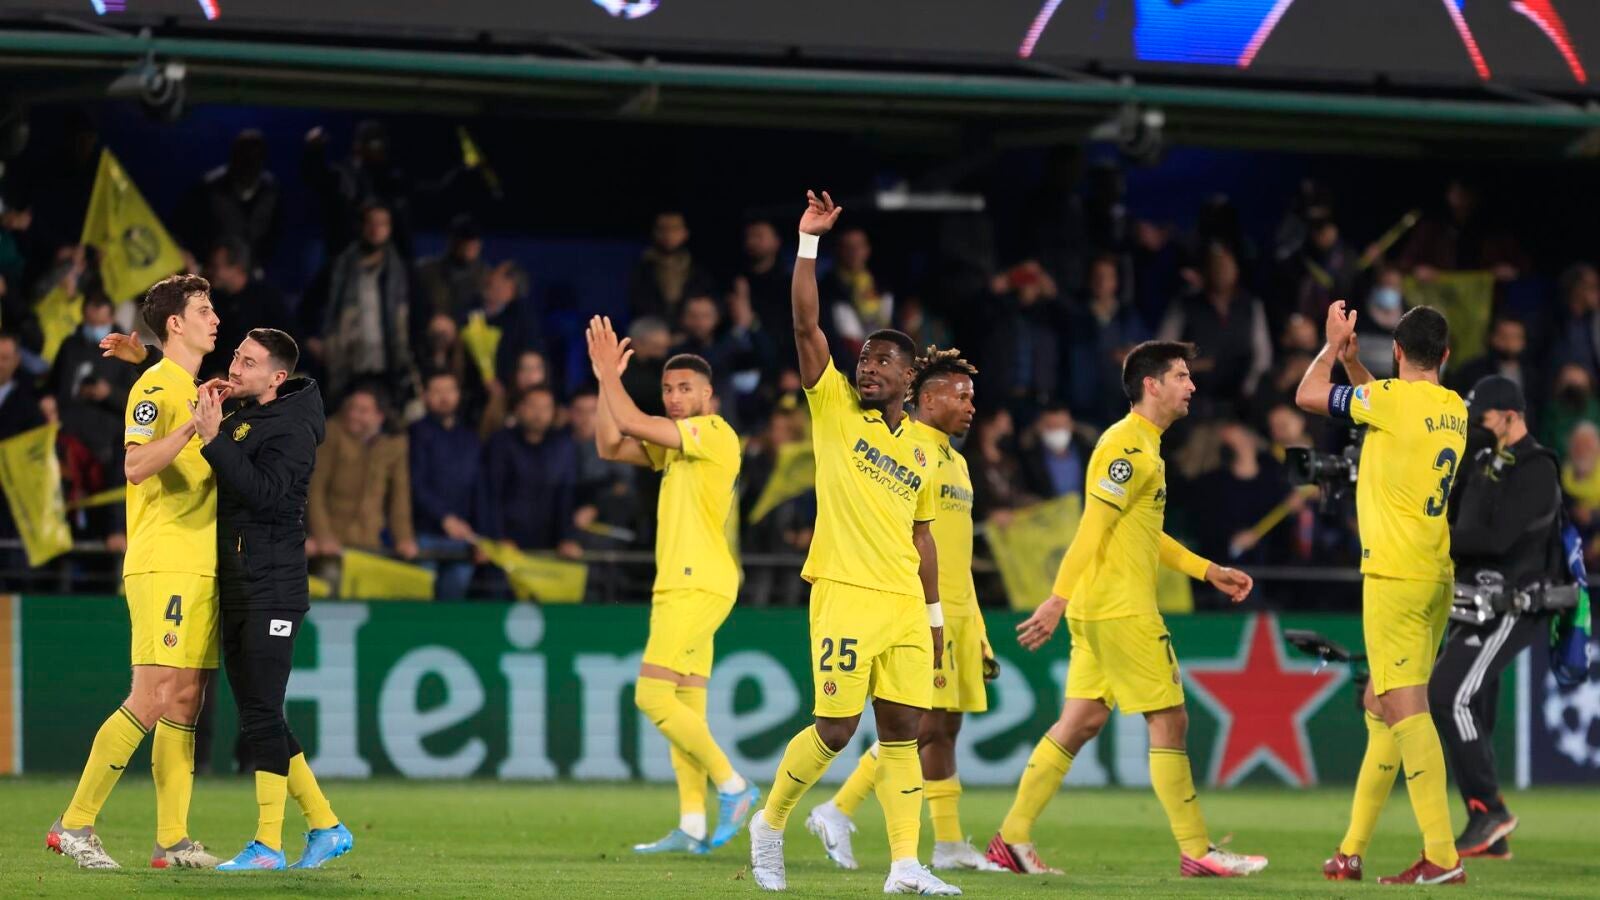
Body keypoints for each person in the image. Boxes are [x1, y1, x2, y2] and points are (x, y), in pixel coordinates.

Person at [985, 341, 1266, 879]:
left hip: (1100, 609)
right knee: (1170, 719)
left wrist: (1206, 569)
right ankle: (1197, 850)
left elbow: (1142, 532)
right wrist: (1056, 597)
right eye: (1181, 376)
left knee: (1080, 721)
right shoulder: (1127, 448)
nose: (1192, 386)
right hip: (1122, 611)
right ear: (1151, 385)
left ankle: (1012, 839)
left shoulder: (1142, 447)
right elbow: (1091, 527)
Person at [746, 191, 958, 896]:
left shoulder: (926, 450)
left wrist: (933, 617)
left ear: (908, 378)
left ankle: (904, 866)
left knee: (904, 730)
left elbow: (922, 537)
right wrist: (808, 243)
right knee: (836, 730)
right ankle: (770, 824)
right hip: (842, 591)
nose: (867, 368)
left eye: (882, 362)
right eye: (864, 358)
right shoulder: (834, 405)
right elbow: (805, 323)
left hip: (903, 603)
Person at [47, 274, 224, 870]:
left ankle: (171, 841)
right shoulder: (154, 387)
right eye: (204, 310)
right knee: (152, 695)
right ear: (176, 323)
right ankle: (74, 824)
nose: (215, 319)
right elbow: (135, 464)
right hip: (164, 561)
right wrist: (191, 427)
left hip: (200, 566)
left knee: (186, 700)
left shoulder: (187, 384)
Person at [806, 346, 1006, 874]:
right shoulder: (906, 448)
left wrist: (974, 626)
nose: (971, 407)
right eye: (961, 396)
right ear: (928, 398)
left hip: (957, 613)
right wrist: (927, 613)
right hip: (909, 608)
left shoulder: (957, 462)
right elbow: (914, 542)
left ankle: (947, 843)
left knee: (945, 728)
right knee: (918, 726)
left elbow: (955, 553)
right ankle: (837, 809)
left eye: (972, 398)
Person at [1296, 300, 1469, 885]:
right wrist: (1354, 364)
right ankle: (1350, 852)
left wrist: (1331, 347)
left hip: (1394, 575)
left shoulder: (1391, 402)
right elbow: (1384, 404)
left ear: (1396, 351)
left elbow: (1307, 395)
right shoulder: (1453, 407)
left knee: (1405, 709)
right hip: (1435, 574)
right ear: (1445, 355)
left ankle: (1442, 857)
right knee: (1380, 704)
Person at [585, 318, 759, 855]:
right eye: (667, 389)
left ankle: (734, 786)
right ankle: (692, 824)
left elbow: (631, 419)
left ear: (708, 396)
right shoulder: (676, 447)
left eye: (685, 389)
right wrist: (606, 383)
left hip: (696, 583)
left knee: (652, 695)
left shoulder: (715, 433)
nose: (675, 397)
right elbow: (610, 444)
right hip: (684, 584)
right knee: (686, 707)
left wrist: (607, 377)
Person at [189, 329, 353, 870]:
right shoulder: (250, 414)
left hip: (273, 589)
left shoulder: (294, 429)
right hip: (242, 583)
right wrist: (146, 358)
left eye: (249, 362)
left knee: (261, 712)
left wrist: (212, 440)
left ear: (277, 377)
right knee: (262, 714)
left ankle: (268, 845)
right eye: (237, 355)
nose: (235, 366)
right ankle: (326, 826)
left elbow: (263, 493)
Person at [1432, 376, 1564, 861]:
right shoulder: (1485, 461)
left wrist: (1432, 536)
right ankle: (1490, 829)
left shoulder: (1537, 467)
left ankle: (1490, 809)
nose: (1477, 428)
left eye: (1483, 419)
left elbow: (1498, 539)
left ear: (1511, 416)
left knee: (1448, 695)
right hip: (1472, 602)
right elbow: (1463, 522)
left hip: (1512, 604)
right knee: (1475, 710)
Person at [306, 386, 417, 562]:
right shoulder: (331, 433)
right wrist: (323, 535)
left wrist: (404, 538)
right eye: (351, 408)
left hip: (369, 540)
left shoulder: (394, 445)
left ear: (379, 416)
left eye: (363, 411)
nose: (354, 415)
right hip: (331, 541)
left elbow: (399, 497)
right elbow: (314, 489)